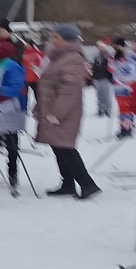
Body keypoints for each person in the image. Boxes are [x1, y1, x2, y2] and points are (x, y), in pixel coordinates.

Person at [35, 24, 101, 200]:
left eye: (56, 37)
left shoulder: (72, 58)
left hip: (64, 113)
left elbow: (69, 90)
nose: (52, 40)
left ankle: (88, 184)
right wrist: (39, 108)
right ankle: (68, 183)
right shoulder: (58, 57)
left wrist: (57, 113)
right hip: (51, 110)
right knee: (58, 147)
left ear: (66, 40)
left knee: (65, 148)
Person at [0, 40, 27, 194]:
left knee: (11, 144)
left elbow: (16, 89)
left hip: (8, 110)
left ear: (2, 52)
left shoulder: (13, 66)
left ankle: (12, 174)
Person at [111, 38, 136, 138]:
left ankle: (128, 127)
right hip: (119, 86)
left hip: (129, 86)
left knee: (128, 107)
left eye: (116, 45)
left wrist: (128, 81)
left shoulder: (131, 55)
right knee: (122, 108)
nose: (115, 48)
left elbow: (132, 71)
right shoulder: (115, 56)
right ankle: (123, 127)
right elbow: (113, 69)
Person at [90, 40, 115, 117]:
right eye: (99, 47)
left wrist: (111, 77)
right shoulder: (96, 57)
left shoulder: (108, 56)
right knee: (99, 94)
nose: (100, 48)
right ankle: (100, 109)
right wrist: (93, 77)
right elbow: (94, 68)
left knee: (106, 94)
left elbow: (111, 67)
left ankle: (107, 109)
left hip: (105, 78)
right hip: (98, 78)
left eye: (102, 47)